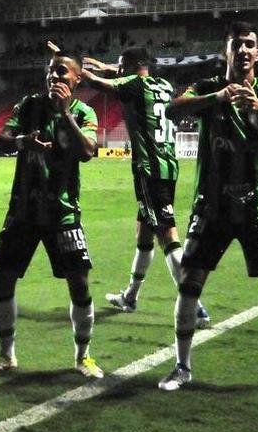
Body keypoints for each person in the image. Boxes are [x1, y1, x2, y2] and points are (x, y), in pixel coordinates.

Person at [158, 20, 258, 394]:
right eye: (237, 44)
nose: (243, 50)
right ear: (226, 51)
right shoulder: (208, 87)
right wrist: (218, 98)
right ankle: (181, 367)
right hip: (212, 208)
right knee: (190, 285)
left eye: (250, 45)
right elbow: (174, 110)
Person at [0, 52, 104, 379]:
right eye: (50, 72)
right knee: (3, 277)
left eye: (63, 73)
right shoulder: (27, 106)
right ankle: (6, 356)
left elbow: (89, 151)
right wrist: (22, 141)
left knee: (78, 281)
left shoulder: (83, 111)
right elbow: (0, 143)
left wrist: (65, 114)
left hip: (62, 213)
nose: (55, 78)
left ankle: (83, 357)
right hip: (23, 210)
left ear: (77, 79)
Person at [77, 46, 209, 326]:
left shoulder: (133, 84)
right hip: (168, 166)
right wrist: (101, 63)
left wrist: (76, 68)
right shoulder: (162, 84)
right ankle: (130, 296)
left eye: (121, 64)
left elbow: (102, 83)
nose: (118, 68)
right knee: (144, 232)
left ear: (134, 65)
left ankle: (194, 305)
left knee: (167, 235)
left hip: (149, 169)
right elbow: (120, 74)